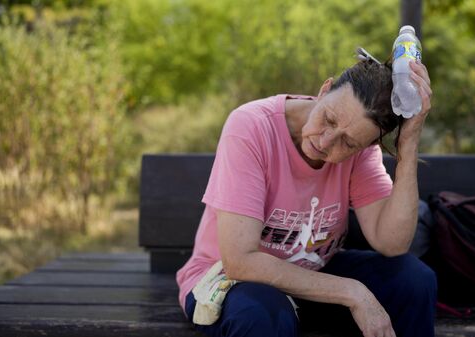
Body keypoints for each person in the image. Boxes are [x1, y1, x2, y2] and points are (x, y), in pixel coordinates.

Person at [176, 50, 435, 337]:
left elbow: (393, 243)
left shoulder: (362, 152)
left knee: (414, 280)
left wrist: (408, 146)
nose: (325, 141)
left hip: (312, 271)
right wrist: (353, 292)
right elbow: (240, 261)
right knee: (262, 317)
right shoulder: (251, 126)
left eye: (347, 143)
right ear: (324, 90)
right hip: (228, 278)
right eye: (329, 118)